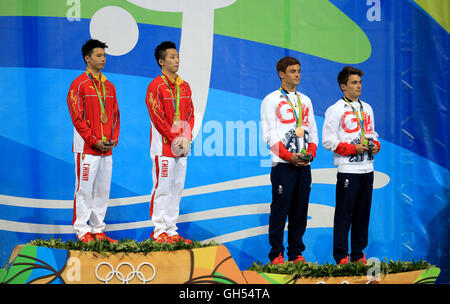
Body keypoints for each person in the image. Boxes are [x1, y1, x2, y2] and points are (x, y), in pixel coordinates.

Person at [261, 57, 318, 265]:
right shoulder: (271, 100)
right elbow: (269, 136)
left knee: (300, 211)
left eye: (299, 71)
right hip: (283, 165)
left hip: (304, 166)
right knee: (280, 209)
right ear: (281, 74)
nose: (297, 75)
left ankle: (296, 254)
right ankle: (276, 254)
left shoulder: (306, 100)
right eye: (293, 71)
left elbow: (313, 132)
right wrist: (289, 156)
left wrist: (309, 154)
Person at [322, 66, 380, 265]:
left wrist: (375, 146)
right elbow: (328, 141)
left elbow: (373, 134)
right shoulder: (335, 109)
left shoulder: (367, 108)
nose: (358, 86)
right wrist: (353, 149)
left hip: (368, 169)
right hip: (348, 169)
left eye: (360, 82)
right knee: (344, 214)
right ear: (343, 86)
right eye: (354, 83)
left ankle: (358, 255)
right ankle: (341, 256)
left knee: (363, 214)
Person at [66, 39, 120, 243]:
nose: (103, 59)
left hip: (106, 148)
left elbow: (115, 115)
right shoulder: (78, 84)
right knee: (84, 190)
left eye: (104, 56)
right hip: (87, 148)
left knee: (102, 190)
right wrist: (92, 140)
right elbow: (77, 117)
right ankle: (82, 230)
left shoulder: (109, 86)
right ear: (87, 58)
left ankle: (98, 230)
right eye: (98, 55)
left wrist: (113, 139)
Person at [145, 41, 195, 244]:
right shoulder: (155, 86)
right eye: (172, 57)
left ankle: (172, 229)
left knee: (177, 187)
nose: (177, 60)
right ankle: (159, 230)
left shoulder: (185, 86)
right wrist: (175, 137)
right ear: (161, 62)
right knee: (162, 188)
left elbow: (191, 113)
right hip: (163, 148)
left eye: (177, 56)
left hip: (181, 148)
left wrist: (186, 136)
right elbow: (157, 117)